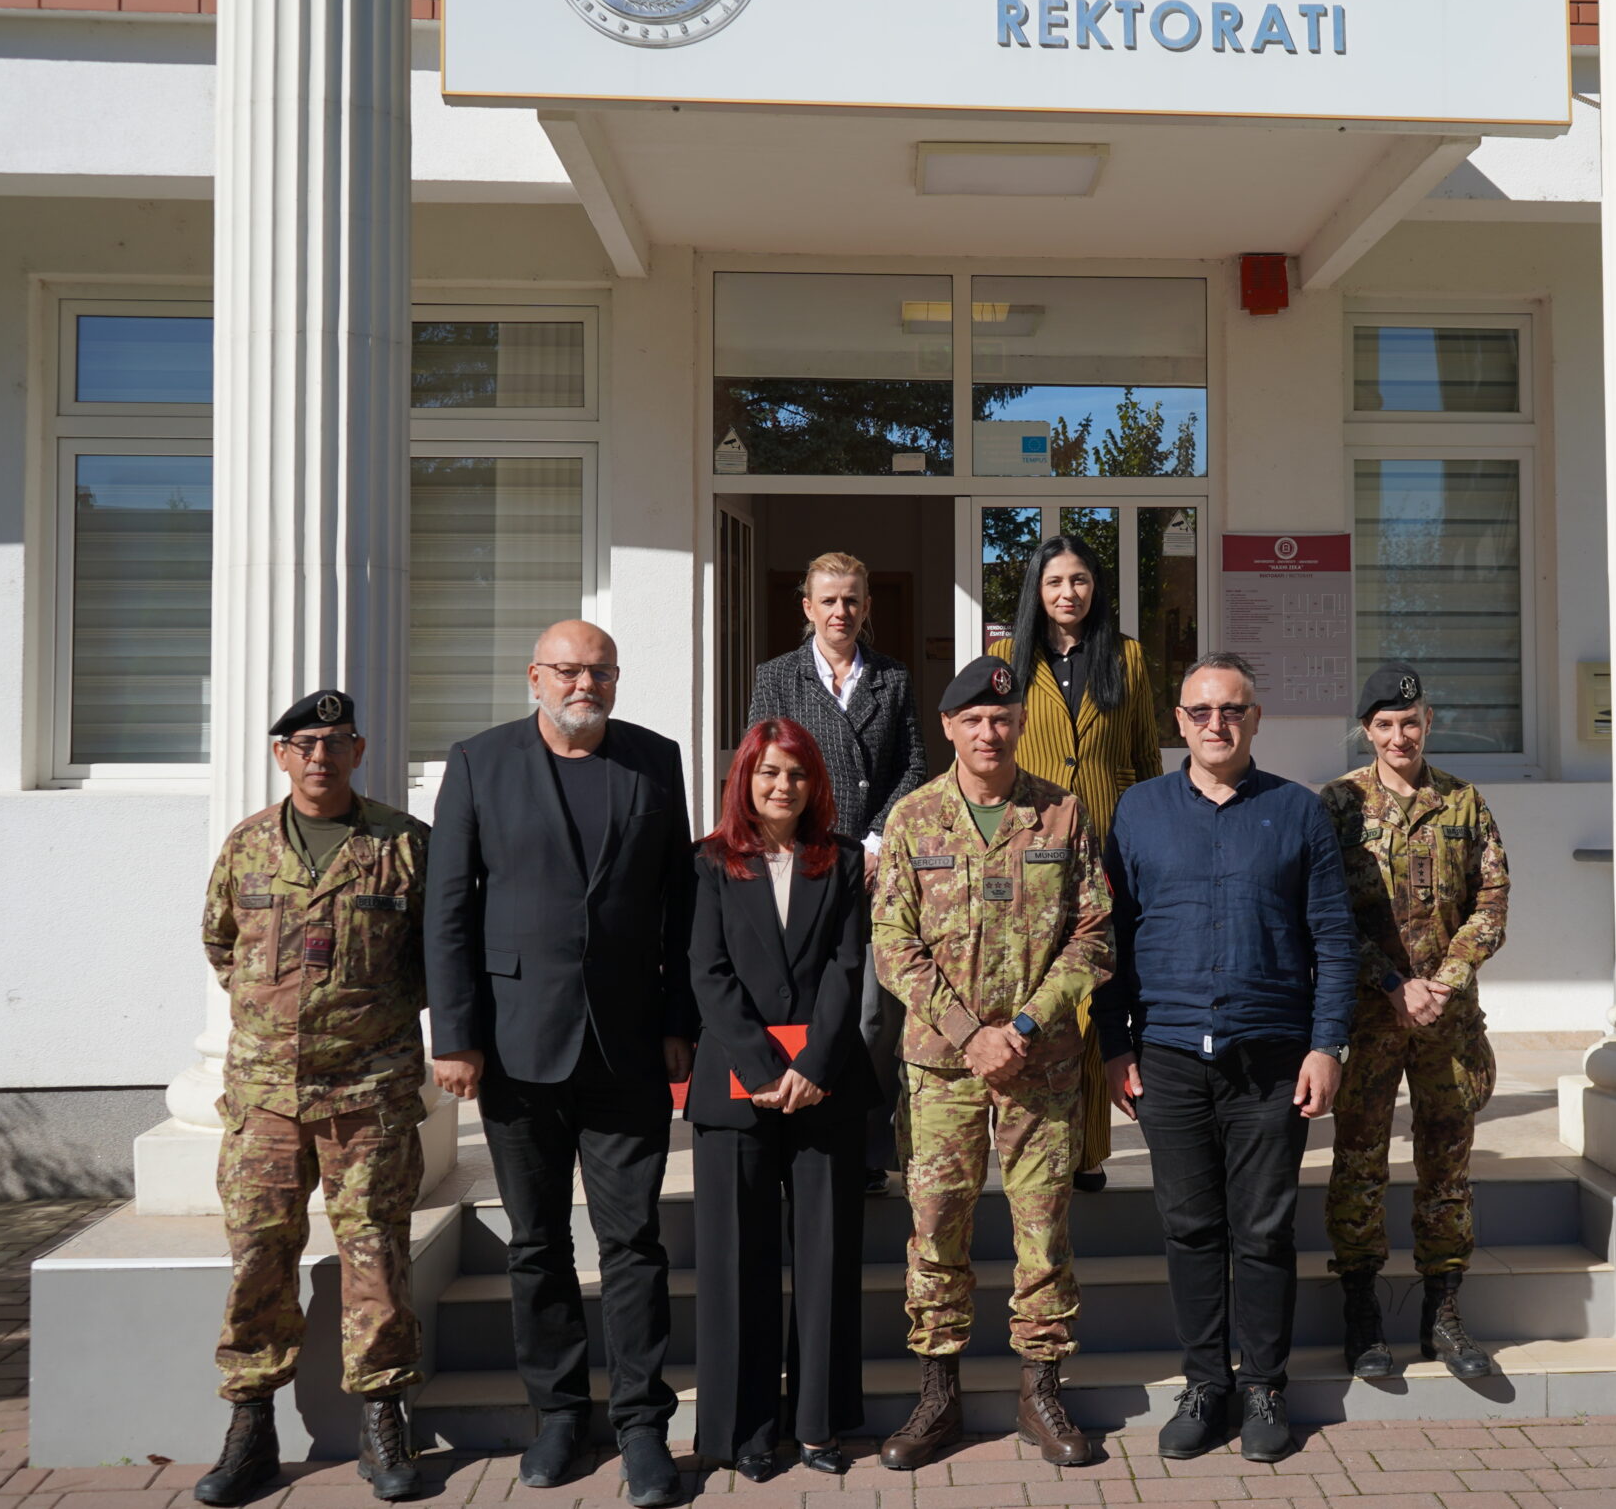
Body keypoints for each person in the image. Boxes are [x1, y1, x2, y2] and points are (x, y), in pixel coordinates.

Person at [423, 622, 696, 1508]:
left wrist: (677, 1020)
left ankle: (644, 1424)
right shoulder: (478, 762)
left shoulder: (656, 761)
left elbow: (679, 904)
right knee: (536, 1244)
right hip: (512, 1046)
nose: (587, 683)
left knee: (633, 1242)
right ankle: (557, 1413)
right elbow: (449, 909)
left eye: (602, 671)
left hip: (625, 1047)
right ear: (535, 675)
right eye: (571, 670)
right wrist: (455, 1035)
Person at [1096, 654, 1356, 1466]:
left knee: (1266, 1226)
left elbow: (1335, 939)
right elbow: (1109, 940)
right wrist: (1113, 1045)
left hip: (1272, 1056)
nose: (1217, 722)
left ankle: (1266, 1386)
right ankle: (1206, 1383)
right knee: (1189, 1225)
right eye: (1201, 709)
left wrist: (1326, 1043)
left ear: (1255, 717)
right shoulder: (1138, 811)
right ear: (1178, 720)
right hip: (1168, 1054)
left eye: (1232, 709)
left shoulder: (1298, 812)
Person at [869, 654, 1114, 1471]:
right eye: (972, 718)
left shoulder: (1061, 814)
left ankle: (1040, 1391)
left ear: (1018, 726)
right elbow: (893, 945)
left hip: (1040, 1069)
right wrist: (971, 1030)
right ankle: (938, 1395)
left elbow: (1094, 933)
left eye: (1002, 719)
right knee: (936, 1231)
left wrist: (1026, 1020)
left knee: (1043, 1234)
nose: (988, 730)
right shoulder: (913, 818)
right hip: (943, 1071)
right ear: (947, 726)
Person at [192, 690, 432, 1507]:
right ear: (281, 754)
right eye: (304, 742)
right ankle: (249, 1428)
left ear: (359, 751)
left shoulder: (403, 846)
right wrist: (277, 1018)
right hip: (264, 1095)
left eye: (334, 741)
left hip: (368, 1092)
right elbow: (221, 942)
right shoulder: (247, 846)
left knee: (377, 1257)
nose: (319, 755)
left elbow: (438, 957)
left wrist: (366, 1023)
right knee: (260, 1255)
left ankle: (382, 1419)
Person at [685, 718, 878, 1480]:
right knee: (739, 1262)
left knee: (826, 1257)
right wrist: (764, 1064)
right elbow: (706, 970)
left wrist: (812, 1063)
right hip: (736, 1089)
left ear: (813, 783)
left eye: (795, 774)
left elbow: (847, 964)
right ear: (745, 778)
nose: (781, 786)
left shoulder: (843, 860)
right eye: (768, 772)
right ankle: (744, 1427)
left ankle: (820, 1423)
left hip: (824, 1086)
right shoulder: (709, 861)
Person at [1319, 663, 1509, 1382]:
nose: (1399, 735)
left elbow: (1491, 902)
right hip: (1371, 1018)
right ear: (1367, 730)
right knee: (1360, 1161)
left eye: (1411, 722)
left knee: (1446, 1166)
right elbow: (1329, 912)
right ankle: (1363, 1310)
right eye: (1385, 725)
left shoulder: (1464, 803)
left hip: (1448, 1023)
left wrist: (1444, 981)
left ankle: (1444, 1311)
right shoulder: (1338, 805)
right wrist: (1396, 984)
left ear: (1428, 721)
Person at [744, 551, 926, 1188]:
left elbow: (911, 766)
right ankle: (799, 1136)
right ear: (808, 608)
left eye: (852, 600)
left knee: (873, 1015)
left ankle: (868, 1149)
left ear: (867, 607)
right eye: (828, 600)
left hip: (873, 869)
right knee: (807, 999)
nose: (840, 611)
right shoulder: (777, 677)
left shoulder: (892, 679)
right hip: (801, 863)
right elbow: (760, 765)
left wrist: (877, 840)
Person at [988, 532, 1159, 1194]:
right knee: (1036, 986)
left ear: (1096, 587)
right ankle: (1034, 1141)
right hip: (1035, 844)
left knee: (1099, 989)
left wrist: (1147, 832)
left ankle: (1088, 1149)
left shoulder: (1129, 657)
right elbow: (990, 750)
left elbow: (1146, 757)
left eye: (1081, 580)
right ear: (1037, 587)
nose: (1069, 593)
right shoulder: (1008, 657)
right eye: (1056, 581)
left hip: (1113, 841)